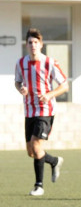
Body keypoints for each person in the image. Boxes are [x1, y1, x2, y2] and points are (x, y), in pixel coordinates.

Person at [15, 28, 68, 196]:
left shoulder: (49, 62)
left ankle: (39, 186)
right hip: (29, 111)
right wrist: (21, 89)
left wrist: (50, 95)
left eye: (36, 42)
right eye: (30, 42)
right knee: (31, 152)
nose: (33, 45)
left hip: (45, 110)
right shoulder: (20, 63)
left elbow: (64, 85)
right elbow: (17, 82)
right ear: (26, 45)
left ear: (41, 45)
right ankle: (54, 161)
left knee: (37, 146)